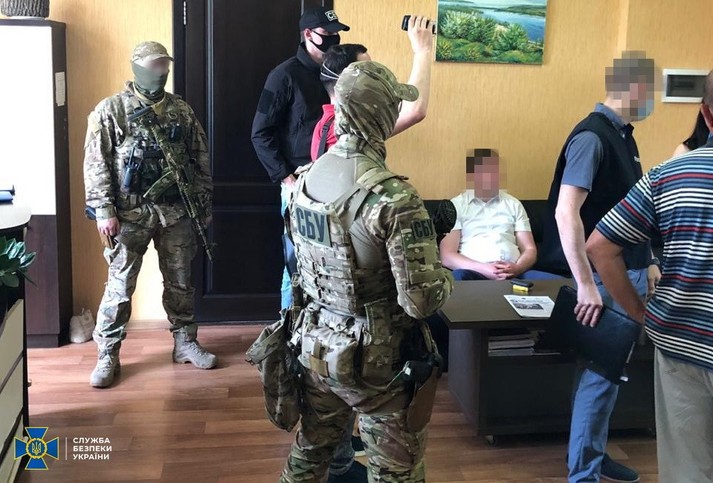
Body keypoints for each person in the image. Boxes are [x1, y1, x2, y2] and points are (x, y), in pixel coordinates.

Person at [281, 61, 453, 483]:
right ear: (384, 116)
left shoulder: (302, 180)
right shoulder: (394, 197)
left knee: (310, 453)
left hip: (317, 345)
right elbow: (421, 302)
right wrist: (442, 271)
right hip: (378, 363)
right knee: (396, 473)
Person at [586, 71, 713, 483]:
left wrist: (640, 314)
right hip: (684, 343)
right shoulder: (596, 137)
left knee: (688, 469)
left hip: (682, 344)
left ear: (706, 115)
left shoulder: (669, 174)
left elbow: (599, 246)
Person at [538, 51, 660, 483]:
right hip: (605, 278)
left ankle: (590, 454)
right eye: (652, 90)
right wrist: (586, 284)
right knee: (600, 374)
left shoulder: (623, 136)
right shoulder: (592, 137)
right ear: (634, 88)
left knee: (605, 376)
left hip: (629, 270)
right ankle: (584, 473)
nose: (654, 99)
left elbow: (631, 211)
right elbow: (566, 213)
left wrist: (648, 260)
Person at [83, 41, 216, 389]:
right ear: (137, 67)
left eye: (164, 65)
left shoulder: (180, 110)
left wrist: (203, 205)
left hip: (175, 212)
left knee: (181, 281)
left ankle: (185, 342)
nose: (161, 71)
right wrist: (104, 211)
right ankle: (108, 353)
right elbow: (96, 164)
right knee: (120, 286)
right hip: (128, 214)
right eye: (154, 65)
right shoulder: (111, 110)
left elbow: (200, 157)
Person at [251, 7, 350, 311]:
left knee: (335, 263)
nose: (333, 40)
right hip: (300, 184)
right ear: (308, 34)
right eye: (327, 34)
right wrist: (286, 178)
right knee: (295, 264)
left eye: (336, 34)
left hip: (338, 186)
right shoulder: (283, 75)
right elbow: (260, 133)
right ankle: (288, 329)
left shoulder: (341, 73)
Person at [311, 15, 436, 160]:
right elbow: (414, 111)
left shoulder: (329, 123)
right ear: (346, 81)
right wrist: (422, 51)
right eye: (367, 71)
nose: (374, 76)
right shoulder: (345, 127)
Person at [440, 149, 560, 281]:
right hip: (473, 273)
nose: (490, 176)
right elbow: (447, 256)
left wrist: (517, 267)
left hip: (514, 273)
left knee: (558, 283)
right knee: (457, 277)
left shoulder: (513, 204)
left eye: (494, 171)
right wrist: (485, 269)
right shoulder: (454, 207)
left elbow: (530, 249)